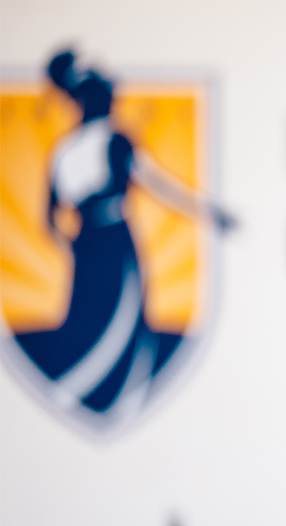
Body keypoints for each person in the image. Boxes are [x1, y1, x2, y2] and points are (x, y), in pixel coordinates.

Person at [13, 50, 233, 427]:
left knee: (109, 313)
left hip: (90, 242)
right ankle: (97, 384)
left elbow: (51, 219)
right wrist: (208, 212)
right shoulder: (103, 145)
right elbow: (158, 185)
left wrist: (75, 244)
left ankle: (102, 385)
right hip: (111, 241)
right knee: (107, 314)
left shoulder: (68, 150)